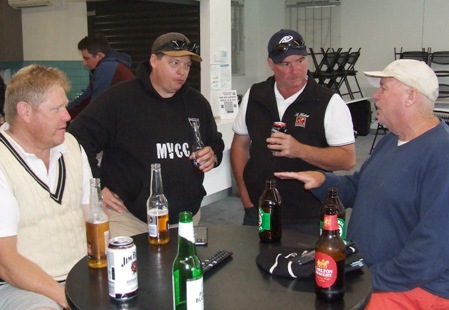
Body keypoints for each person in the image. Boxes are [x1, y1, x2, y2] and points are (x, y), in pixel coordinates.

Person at [275, 59, 449, 309]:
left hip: (413, 287)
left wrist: (369, 279)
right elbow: (359, 187)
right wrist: (323, 180)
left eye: (383, 88)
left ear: (411, 96)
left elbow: (432, 251)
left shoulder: (441, 155)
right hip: (373, 273)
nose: (375, 96)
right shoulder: (392, 141)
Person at [69, 32, 224, 237]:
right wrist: (97, 186)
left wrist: (213, 154)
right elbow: (76, 138)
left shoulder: (197, 103)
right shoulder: (119, 99)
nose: (182, 72)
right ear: (154, 60)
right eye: (174, 63)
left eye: (187, 65)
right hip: (130, 220)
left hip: (186, 218)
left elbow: (215, 143)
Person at [231, 29, 355, 235]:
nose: (295, 70)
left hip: (307, 214)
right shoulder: (255, 95)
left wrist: (300, 150)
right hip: (259, 209)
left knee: (305, 267)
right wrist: (245, 195)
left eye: (300, 61)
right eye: (285, 64)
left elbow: (347, 159)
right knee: (253, 264)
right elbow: (240, 145)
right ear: (271, 63)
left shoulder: (328, 102)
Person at [0, 65, 92, 309]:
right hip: (22, 288)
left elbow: (91, 217)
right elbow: (6, 263)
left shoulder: (71, 146)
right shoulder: (2, 162)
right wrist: (67, 299)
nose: (68, 116)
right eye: (56, 109)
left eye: (65, 105)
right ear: (25, 112)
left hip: (80, 275)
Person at [68, 33, 134, 119]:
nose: (84, 63)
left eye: (86, 58)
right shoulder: (109, 66)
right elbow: (86, 98)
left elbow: (96, 108)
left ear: (99, 56)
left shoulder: (106, 68)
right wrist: (66, 112)